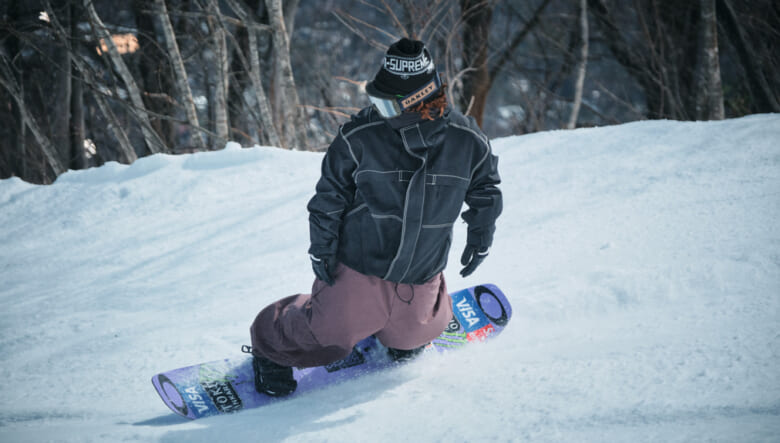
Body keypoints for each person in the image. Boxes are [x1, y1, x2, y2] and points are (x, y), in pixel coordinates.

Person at [248, 38, 502, 397]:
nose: (377, 109)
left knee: (412, 339)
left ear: (417, 101)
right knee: (328, 336)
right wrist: (322, 249)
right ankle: (275, 338)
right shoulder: (360, 136)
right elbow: (328, 197)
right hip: (360, 266)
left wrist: (481, 235)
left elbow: (486, 189)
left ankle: (401, 324)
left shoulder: (467, 141)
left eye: (386, 103)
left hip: (420, 270)